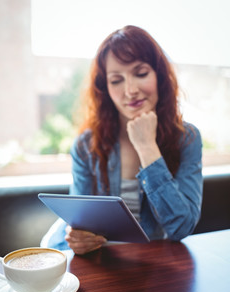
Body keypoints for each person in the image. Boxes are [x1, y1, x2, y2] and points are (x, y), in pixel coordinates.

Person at [41, 25, 203, 255]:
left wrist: (147, 147)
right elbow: (78, 222)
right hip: (98, 259)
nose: (130, 90)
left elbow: (181, 227)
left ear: (159, 76)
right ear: (105, 88)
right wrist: (78, 238)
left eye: (141, 73)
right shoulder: (86, 146)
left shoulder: (187, 139)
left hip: (154, 264)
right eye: (116, 80)